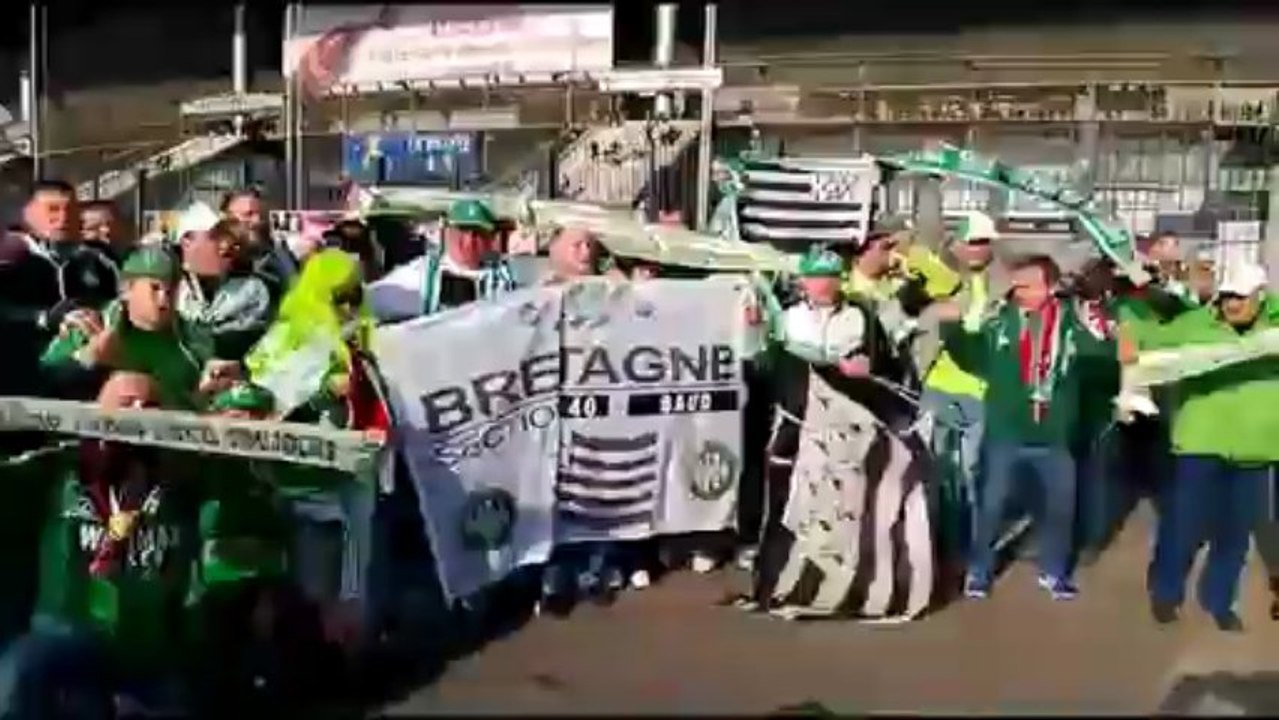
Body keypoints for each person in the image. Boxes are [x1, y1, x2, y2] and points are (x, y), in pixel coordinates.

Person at [0, 372, 196, 718]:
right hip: (67, 629)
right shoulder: (62, 469)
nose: (136, 414)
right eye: (125, 405)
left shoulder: (184, 480)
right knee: (19, 670)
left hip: (147, 643)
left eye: (148, 407)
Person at [940, 254, 1114, 602]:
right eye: (1016, 285)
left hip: (1054, 436)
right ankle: (979, 571)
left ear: (1049, 287)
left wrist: (1101, 337)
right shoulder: (998, 323)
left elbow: (1102, 368)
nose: (1019, 293)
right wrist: (953, 331)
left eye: (1028, 286)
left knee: (1059, 509)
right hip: (1005, 433)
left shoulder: (1071, 325)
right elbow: (972, 360)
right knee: (990, 506)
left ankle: (1054, 571)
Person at [1128, 262, 1279, 632]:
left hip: (1258, 450)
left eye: (1241, 298)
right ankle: (1165, 592)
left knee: (1236, 534)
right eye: (1227, 296)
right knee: (1183, 525)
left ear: (1261, 296)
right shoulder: (1194, 325)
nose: (1232, 305)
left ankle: (1219, 601)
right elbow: (1146, 341)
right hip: (1200, 443)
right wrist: (1128, 333)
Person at [39, 245, 235, 411]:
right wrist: (87, 361)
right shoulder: (90, 326)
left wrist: (215, 390)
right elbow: (42, 388)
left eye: (171, 289)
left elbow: (207, 403)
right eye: (155, 288)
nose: (164, 299)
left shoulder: (194, 337)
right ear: (127, 289)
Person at [916, 211, 1002, 577]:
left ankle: (970, 552)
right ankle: (932, 546)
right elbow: (920, 318)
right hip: (936, 387)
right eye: (974, 241)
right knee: (932, 470)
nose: (979, 249)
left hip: (980, 392)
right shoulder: (938, 278)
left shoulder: (1003, 282)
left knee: (972, 474)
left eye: (985, 242)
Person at [368, 199, 516, 322]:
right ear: (447, 231)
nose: (469, 241)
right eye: (462, 230)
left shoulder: (504, 276)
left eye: (478, 234)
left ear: (490, 238)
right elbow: (371, 300)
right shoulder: (422, 274)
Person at [175, 208, 275, 360]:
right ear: (187, 242)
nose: (225, 245)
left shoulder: (251, 291)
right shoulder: (167, 291)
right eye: (214, 236)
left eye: (226, 236)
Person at [221, 188, 298, 294]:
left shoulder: (277, 250)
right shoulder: (218, 257)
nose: (257, 221)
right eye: (248, 214)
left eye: (259, 215)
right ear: (228, 217)